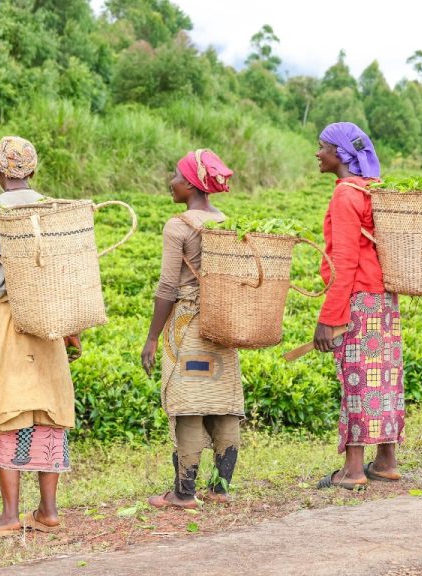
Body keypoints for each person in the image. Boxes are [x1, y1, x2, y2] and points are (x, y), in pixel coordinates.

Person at [0, 136, 80, 537]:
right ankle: (48, 512)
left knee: (2, 409)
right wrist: (72, 330)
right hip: (48, 322)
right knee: (47, 408)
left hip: (3, 320)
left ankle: (10, 516)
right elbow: (67, 273)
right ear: (34, 172)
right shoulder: (51, 209)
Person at [141, 149, 243, 509]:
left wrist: (152, 338)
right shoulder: (225, 221)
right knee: (224, 403)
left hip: (189, 327)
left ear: (189, 184)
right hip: (224, 325)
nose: (170, 183)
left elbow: (168, 287)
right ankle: (220, 488)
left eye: (175, 176)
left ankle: (184, 492)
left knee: (189, 405)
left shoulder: (179, 226)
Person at [313, 122, 405, 490]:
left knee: (356, 380)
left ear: (339, 154)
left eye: (322, 148)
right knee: (384, 378)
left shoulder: (345, 195)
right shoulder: (373, 190)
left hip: (359, 302)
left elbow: (345, 261)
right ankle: (386, 460)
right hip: (384, 302)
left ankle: (352, 470)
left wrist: (329, 317)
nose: (318, 154)